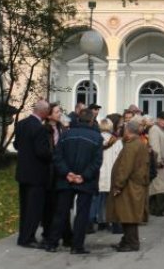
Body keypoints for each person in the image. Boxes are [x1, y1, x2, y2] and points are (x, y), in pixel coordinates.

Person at [43, 109, 103, 254]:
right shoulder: (97, 137)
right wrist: (83, 176)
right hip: (85, 181)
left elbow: (57, 157)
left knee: (61, 212)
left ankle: (52, 243)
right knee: (82, 214)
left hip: (66, 179)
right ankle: (77, 246)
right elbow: (97, 161)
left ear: (77, 119)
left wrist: (67, 173)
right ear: (91, 121)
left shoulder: (65, 135)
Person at [108, 118, 151, 252]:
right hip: (134, 184)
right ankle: (126, 240)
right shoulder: (138, 142)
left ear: (128, 130)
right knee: (128, 214)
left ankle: (131, 243)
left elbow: (125, 167)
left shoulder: (132, 146)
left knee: (128, 215)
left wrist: (118, 185)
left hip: (130, 186)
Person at [13, 99, 52, 248]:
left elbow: (17, 145)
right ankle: (27, 238)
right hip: (37, 174)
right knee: (34, 208)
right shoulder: (39, 128)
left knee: (24, 207)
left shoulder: (22, 124)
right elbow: (41, 152)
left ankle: (23, 235)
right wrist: (52, 155)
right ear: (43, 112)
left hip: (23, 172)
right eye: (47, 111)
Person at [41, 103, 72, 247]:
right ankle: (48, 234)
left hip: (61, 171)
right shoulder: (44, 129)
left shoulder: (62, 128)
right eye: (57, 111)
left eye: (60, 111)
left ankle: (66, 235)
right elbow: (47, 150)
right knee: (50, 206)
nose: (60, 114)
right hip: (49, 172)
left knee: (62, 205)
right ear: (49, 115)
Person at [96, 118, 123, 232]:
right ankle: (113, 222)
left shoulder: (96, 139)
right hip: (112, 172)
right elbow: (120, 157)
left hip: (99, 172)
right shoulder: (116, 141)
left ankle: (100, 221)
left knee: (99, 199)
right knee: (112, 200)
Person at [148, 111, 164, 216]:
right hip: (160, 163)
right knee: (159, 186)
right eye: (163, 119)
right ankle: (158, 209)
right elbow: (155, 147)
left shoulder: (163, 130)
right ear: (158, 119)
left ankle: (159, 208)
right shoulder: (154, 130)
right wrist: (158, 160)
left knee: (162, 186)